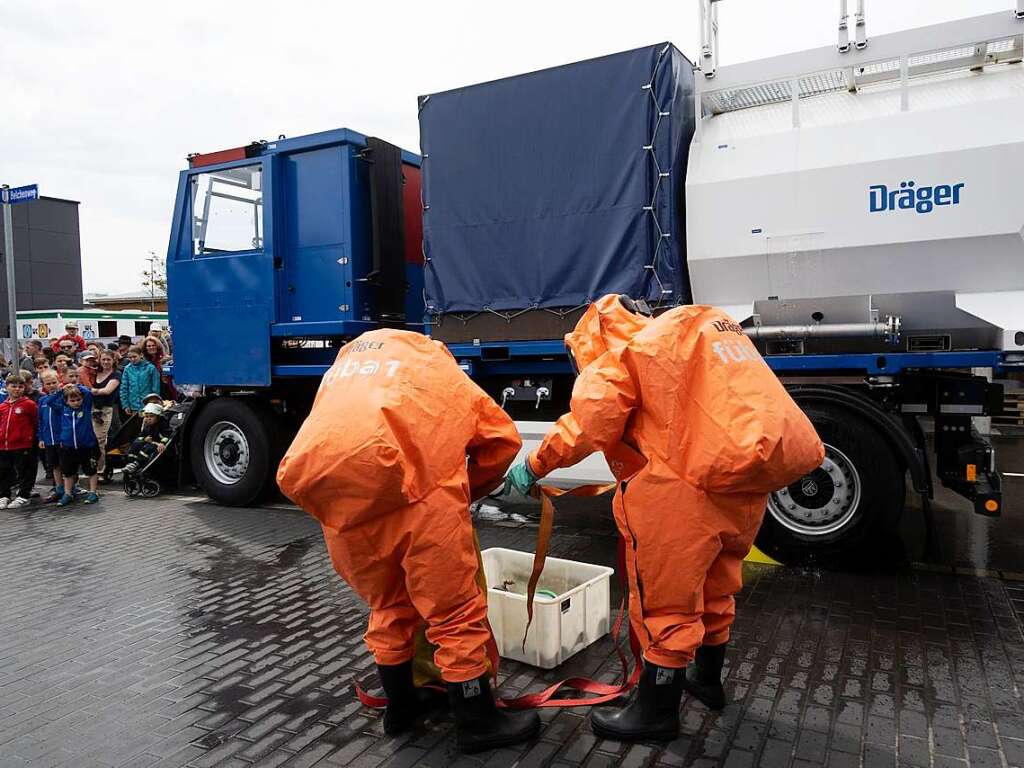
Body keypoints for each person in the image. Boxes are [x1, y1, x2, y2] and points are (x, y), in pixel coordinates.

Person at [504, 295, 824, 741]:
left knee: (666, 605)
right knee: (718, 585)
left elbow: (588, 423)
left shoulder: (626, 355)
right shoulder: (685, 337)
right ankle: (707, 682)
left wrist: (534, 464)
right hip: (738, 490)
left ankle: (656, 712)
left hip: (677, 498)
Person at [277, 329, 539, 752]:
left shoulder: (343, 369)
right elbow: (500, 441)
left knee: (388, 605)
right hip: (421, 501)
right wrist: (466, 489)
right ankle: (477, 721)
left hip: (346, 507)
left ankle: (401, 708)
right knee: (455, 614)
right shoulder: (434, 365)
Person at [0, 373, 40, 509]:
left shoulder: (29, 404)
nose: (17, 389)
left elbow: (35, 422)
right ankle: (4, 495)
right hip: (4, 444)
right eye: (13, 386)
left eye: (20, 386)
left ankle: (24, 495)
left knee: (25, 470)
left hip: (23, 444)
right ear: (7, 387)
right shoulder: (3, 406)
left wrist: (30, 438)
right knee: (4, 470)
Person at [57, 384, 100, 505]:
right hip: (68, 446)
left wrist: (76, 386)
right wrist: (63, 390)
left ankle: (93, 492)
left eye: (78, 400)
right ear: (66, 401)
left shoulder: (85, 408)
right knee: (68, 472)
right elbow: (51, 401)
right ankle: (68, 493)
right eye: (72, 400)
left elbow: (88, 393)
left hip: (86, 446)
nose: (76, 402)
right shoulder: (63, 409)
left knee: (91, 470)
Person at [91, 351, 121, 476]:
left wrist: (91, 390)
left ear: (113, 360)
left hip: (104, 411)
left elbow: (107, 391)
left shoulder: (116, 374)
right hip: (91, 409)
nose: (105, 362)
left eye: (108, 359)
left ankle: (100, 469)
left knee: (100, 440)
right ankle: (92, 467)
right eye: (103, 359)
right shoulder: (95, 373)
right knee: (91, 440)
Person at [38, 371, 65, 502]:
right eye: (48, 383)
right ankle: (59, 488)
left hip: (61, 438)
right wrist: (41, 438)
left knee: (66, 463)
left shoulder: (63, 397)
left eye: (54, 382)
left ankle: (71, 487)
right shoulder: (42, 400)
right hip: (49, 438)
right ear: (44, 385)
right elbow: (41, 421)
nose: (52, 385)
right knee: (54, 464)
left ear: (59, 382)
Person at [123, 402, 172, 475]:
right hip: (149, 443)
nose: (148, 419)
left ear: (158, 417)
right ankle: (131, 463)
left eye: (151, 416)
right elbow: (140, 436)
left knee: (147, 447)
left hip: (157, 446)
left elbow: (167, 435)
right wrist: (144, 439)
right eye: (146, 416)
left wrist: (162, 443)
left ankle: (137, 464)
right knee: (136, 443)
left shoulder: (163, 425)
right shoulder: (148, 427)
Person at [119, 345, 160, 416]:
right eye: (130, 357)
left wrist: (153, 403)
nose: (132, 359)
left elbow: (155, 387)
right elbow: (124, 388)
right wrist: (125, 405)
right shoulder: (127, 369)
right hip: (133, 405)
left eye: (134, 357)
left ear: (141, 355)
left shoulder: (150, 368)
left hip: (147, 404)